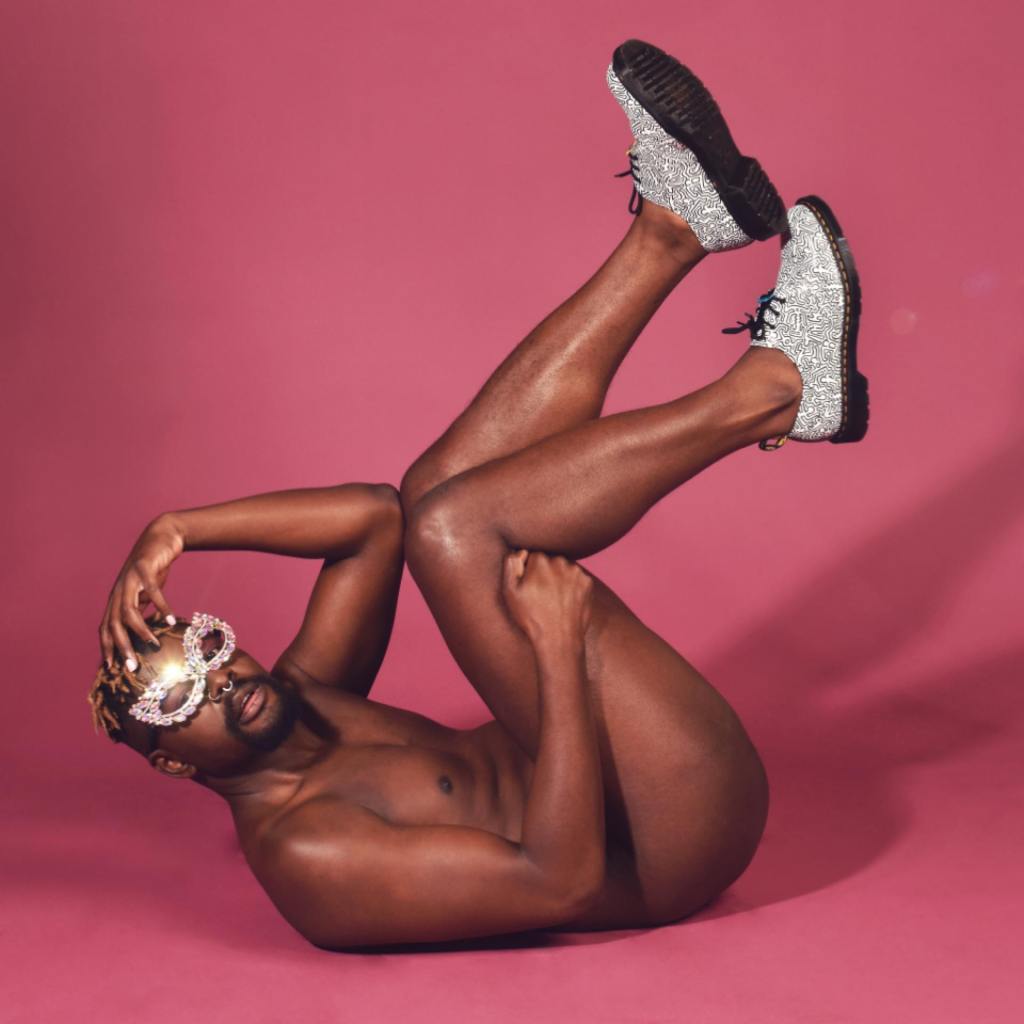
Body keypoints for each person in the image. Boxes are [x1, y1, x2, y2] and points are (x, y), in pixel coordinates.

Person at [88, 39, 866, 949]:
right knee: (458, 530)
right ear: (172, 760)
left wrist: (175, 529)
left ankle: (678, 228)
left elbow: (372, 519)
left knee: (430, 499)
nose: (221, 682)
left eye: (207, 648)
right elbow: (559, 884)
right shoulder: (307, 850)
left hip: (625, 767)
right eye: (179, 696)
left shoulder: (308, 694)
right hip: (669, 836)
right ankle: (776, 392)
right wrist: (556, 652)